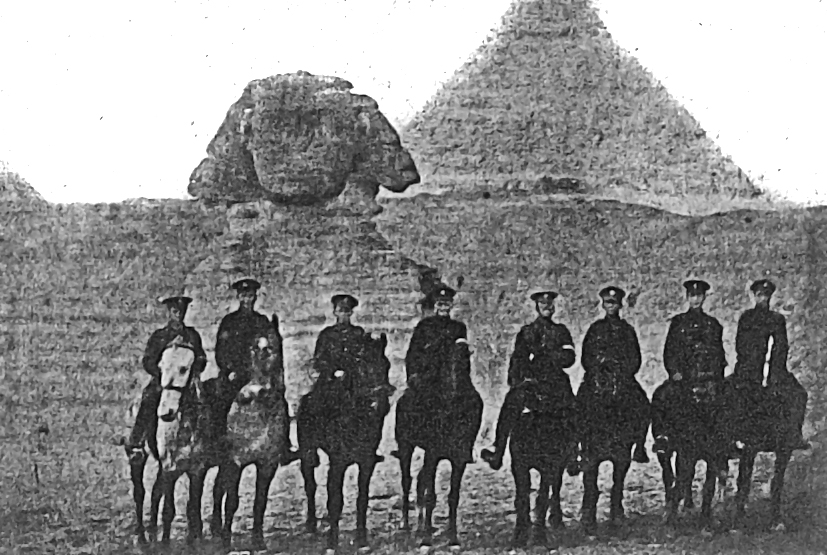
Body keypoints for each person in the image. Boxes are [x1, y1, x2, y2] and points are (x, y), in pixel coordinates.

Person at [481, 291, 577, 471]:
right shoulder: (527, 331)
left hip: (555, 381)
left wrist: (552, 356)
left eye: (549, 304)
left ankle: (574, 455)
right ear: (537, 307)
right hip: (532, 380)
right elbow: (518, 359)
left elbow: (569, 357)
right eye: (543, 304)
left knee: (573, 409)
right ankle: (497, 450)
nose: (547, 307)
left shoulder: (561, 331)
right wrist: (520, 380)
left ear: (554, 307)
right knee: (510, 404)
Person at [300, 293, 391, 466]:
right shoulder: (327, 334)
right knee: (310, 404)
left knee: (372, 407)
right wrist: (332, 371)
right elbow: (319, 359)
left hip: (354, 382)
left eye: (347, 311)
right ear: (334, 312)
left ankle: (369, 447)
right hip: (329, 381)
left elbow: (365, 358)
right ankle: (310, 445)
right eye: (340, 310)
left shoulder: (358, 333)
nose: (344, 314)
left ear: (351, 313)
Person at [214, 278, 298, 460]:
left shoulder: (262, 321)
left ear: (255, 297)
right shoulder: (229, 321)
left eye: (250, 295)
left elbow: (271, 349)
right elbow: (221, 351)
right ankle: (220, 444)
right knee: (221, 403)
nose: (247, 299)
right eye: (244, 295)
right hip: (235, 375)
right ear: (238, 297)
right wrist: (229, 370)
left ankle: (283, 445)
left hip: (258, 375)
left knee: (279, 402)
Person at [125, 295, 207, 462]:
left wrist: (193, 372)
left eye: (182, 312)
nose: (179, 315)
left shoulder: (192, 336)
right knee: (149, 398)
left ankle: (205, 444)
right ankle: (137, 442)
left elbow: (201, 358)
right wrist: (162, 374)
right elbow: (148, 360)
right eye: (175, 311)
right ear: (169, 312)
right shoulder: (160, 336)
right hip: (164, 381)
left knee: (203, 403)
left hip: (185, 381)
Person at [651, 280, 729, 455]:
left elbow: (718, 354)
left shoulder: (712, 324)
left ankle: (727, 441)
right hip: (684, 377)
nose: (696, 300)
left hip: (706, 377)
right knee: (661, 396)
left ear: (704, 297)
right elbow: (670, 351)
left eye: (699, 296)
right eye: (692, 296)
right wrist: (674, 372)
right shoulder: (678, 322)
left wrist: (715, 375)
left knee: (728, 399)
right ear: (687, 297)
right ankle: (663, 436)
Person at [731, 279, 809, 450]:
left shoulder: (777, 319)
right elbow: (741, 347)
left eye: (766, 295)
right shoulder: (747, 318)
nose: (763, 299)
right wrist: (753, 367)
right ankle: (732, 437)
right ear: (754, 296)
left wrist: (775, 372)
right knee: (729, 394)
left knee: (799, 394)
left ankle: (794, 435)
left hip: (774, 370)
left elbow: (781, 347)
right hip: (748, 370)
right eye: (760, 295)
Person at [578, 286, 650, 464]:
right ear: (603, 305)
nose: (611, 306)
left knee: (643, 404)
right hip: (598, 377)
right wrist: (598, 368)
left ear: (620, 305)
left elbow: (635, 359)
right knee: (578, 404)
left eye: (614, 303)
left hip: (621, 377)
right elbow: (586, 357)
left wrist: (621, 370)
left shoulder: (627, 330)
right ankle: (579, 448)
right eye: (608, 302)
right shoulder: (595, 329)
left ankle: (639, 446)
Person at [404, 285, 471, 401]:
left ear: (451, 305)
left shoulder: (458, 327)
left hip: (450, 373)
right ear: (435, 305)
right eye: (440, 304)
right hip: (428, 372)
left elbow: (463, 355)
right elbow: (413, 353)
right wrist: (413, 376)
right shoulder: (424, 326)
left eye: (446, 304)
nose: (443, 308)